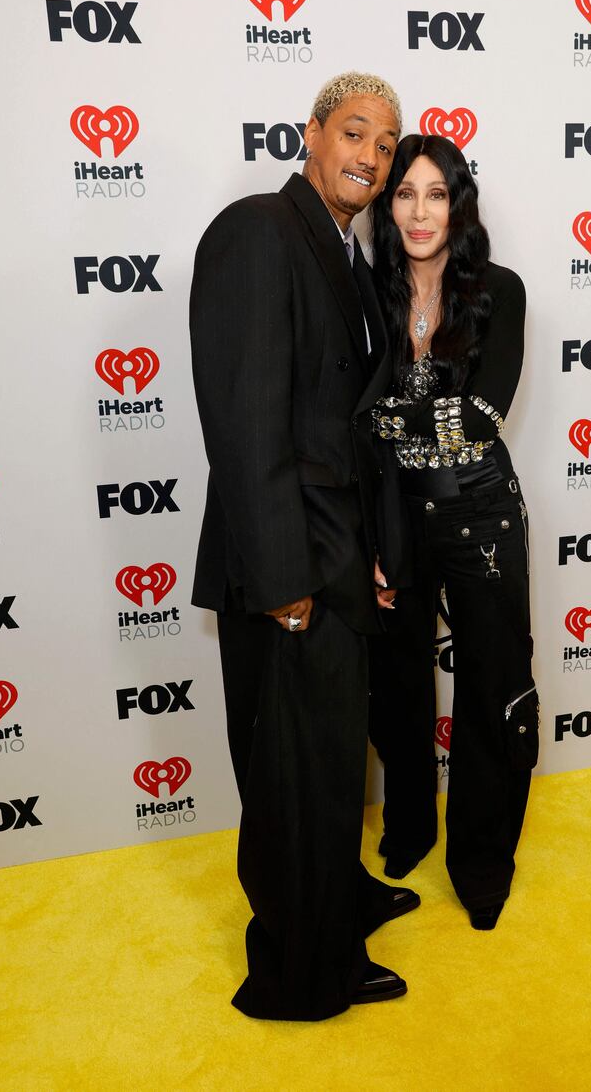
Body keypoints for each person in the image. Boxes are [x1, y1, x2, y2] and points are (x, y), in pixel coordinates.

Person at [190, 73, 419, 1021]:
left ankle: (342, 900)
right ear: (312, 135)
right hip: (286, 566)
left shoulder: (348, 251)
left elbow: (343, 423)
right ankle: (299, 970)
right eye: (354, 133)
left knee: (330, 759)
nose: (369, 155)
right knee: (291, 775)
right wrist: (283, 580)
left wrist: (367, 545)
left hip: (336, 553)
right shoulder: (257, 229)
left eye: (385, 142)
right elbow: (244, 422)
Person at [368, 134, 538, 931]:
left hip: (482, 514)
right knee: (398, 686)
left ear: (458, 203)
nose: (419, 211)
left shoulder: (500, 290)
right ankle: (410, 827)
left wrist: (388, 418)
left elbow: (483, 416)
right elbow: (353, 420)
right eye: (405, 193)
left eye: (436, 194)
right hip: (395, 514)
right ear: (387, 202)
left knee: (490, 689)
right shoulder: (367, 292)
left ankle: (481, 860)